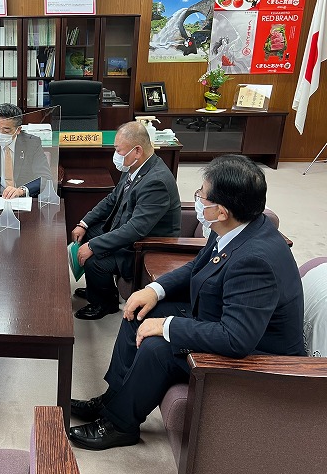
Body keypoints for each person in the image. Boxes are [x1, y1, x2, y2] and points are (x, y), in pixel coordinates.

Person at [69, 155, 304, 450]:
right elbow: (196, 267)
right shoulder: (235, 228)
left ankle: (120, 425)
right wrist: (154, 290)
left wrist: (167, 326)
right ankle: (112, 400)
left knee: (157, 348)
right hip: (220, 318)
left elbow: (236, 339)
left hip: (261, 359)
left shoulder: (255, 261)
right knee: (138, 313)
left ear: (221, 211)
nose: (198, 201)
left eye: (201, 196)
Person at [72, 121, 181, 320]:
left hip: (143, 244)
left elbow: (136, 229)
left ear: (137, 151)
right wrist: (84, 223)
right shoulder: (134, 167)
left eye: (118, 150)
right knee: (88, 233)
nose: (116, 155)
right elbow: (112, 199)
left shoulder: (156, 181)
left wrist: (94, 246)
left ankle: (106, 303)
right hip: (127, 228)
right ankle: (97, 289)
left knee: (95, 259)